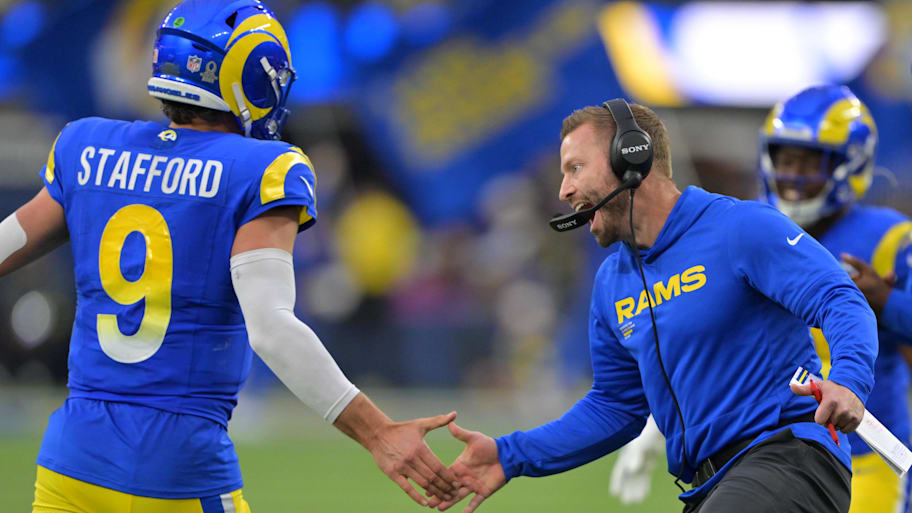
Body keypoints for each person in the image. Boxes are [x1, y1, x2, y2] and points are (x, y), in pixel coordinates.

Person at [0, 2, 460, 512]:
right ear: (248, 75)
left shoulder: (86, 144)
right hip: (176, 468)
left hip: (68, 465)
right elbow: (271, 329)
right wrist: (378, 433)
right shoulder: (261, 168)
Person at [431, 99, 878, 513]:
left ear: (631, 158)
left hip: (790, 459)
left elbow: (838, 298)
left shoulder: (740, 227)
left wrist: (849, 380)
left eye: (576, 168)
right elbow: (615, 406)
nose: (564, 190)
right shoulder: (611, 282)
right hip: (712, 485)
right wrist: (509, 455)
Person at [607, 84, 912, 513]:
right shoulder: (746, 230)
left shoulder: (888, 237)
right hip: (770, 454)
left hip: (866, 458)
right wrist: (655, 428)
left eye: (809, 161)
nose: (794, 174)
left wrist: (887, 303)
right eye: (786, 159)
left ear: (851, 161)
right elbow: (709, 346)